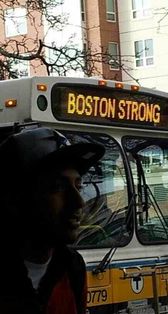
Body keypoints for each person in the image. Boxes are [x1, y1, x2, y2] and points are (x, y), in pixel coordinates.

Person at [0, 126, 105, 314]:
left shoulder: (71, 267)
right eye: (58, 187)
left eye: (78, 187)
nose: (79, 202)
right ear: (15, 199)